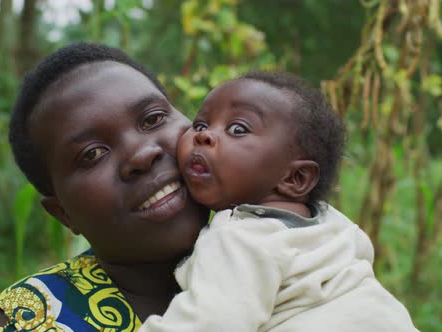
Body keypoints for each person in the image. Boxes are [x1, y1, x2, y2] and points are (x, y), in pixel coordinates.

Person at [139, 72, 419, 331]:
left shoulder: (239, 239)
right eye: (200, 123)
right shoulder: (332, 223)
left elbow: (208, 323)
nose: (203, 135)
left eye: (237, 129)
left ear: (295, 178)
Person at [0, 43, 209, 331]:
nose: (141, 154)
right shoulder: (35, 317)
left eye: (154, 119)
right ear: (62, 213)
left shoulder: (272, 227)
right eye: (92, 154)